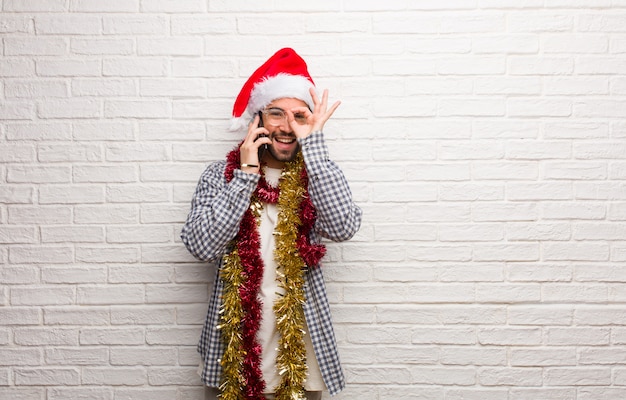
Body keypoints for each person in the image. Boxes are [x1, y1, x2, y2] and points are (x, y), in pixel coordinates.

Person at [181, 48, 362, 400]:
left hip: (300, 349)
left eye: (299, 115)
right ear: (257, 118)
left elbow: (343, 227)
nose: (287, 125)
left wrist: (316, 149)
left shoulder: (319, 177)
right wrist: (246, 176)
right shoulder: (221, 177)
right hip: (232, 346)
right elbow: (200, 248)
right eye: (276, 113)